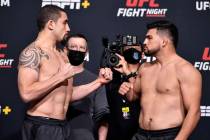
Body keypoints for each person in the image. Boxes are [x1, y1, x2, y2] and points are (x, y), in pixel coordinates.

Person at [18, 5, 112, 140]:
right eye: (65, 22)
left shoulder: (61, 55)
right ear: (51, 24)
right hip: (41, 126)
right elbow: (26, 93)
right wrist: (59, 76)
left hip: (62, 127)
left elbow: (68, 94)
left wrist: (99, 82)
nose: (68, 28)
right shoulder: (33, 53)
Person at [116, 20, 202, 140]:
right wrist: (126, 88)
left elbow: (194, 112)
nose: (144, 42)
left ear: (164, 42)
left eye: (149, 38)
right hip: (141, 135)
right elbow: (133, 96)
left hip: (168, 136)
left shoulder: (186, 70)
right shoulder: (145, 68)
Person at [63, 33, 109, 140]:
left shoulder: (96, 80)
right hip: (55, 134)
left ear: (86, 53)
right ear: (65, 50)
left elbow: (103, 117)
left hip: (83, 136)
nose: (77, 50)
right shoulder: (55, 77)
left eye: (81, 48)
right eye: (73, 47)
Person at [106, 37, 141, 140]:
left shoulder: (148, 74)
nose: (131, 49)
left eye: (135, 47)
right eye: (128, 47)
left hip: (141, 134)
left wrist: (128, 73)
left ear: (142, 53)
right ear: (122, 53)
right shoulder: (112, 78)